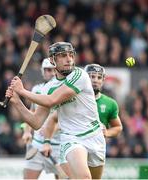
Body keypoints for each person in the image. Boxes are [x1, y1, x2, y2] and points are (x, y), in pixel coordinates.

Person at [6, 42, 106, 179]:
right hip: (71, 139)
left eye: (71, 55)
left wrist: (22, 91)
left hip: (95, 136)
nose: (69, 59)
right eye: (63, 56)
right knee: (84, 178)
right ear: (53, 60)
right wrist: (17, 102)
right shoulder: (48, 88)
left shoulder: (80, 75)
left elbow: (52, 100)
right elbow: (36, 122)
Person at [21, 58, 63, 179]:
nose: (49, 73)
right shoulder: (37, 89)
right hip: (37, 144)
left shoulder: (63, 89)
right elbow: (32, 112)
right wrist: (27, 132)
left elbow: (65, 117)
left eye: (51, 70)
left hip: (58, 145)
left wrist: (51, 131)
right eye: (46, 70)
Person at [84, 64, 123, 137]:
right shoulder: (74, 98)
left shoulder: (110, 103)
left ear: (103, 80)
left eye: (99, 77)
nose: (95, 80)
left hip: (98, 147)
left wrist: (107, 132)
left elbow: (118, 127)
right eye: (92, 77)